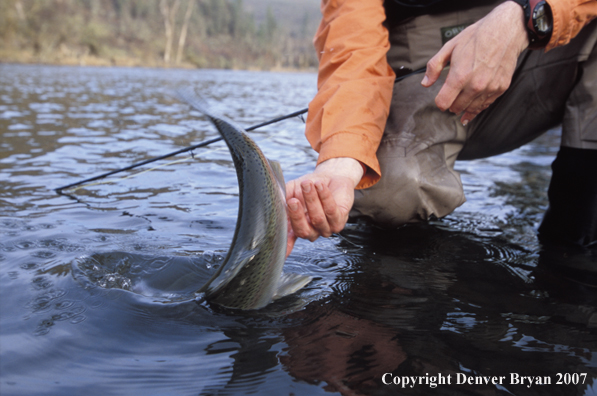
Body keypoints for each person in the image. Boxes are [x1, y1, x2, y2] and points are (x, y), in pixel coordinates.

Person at [285, 0, 597, 256]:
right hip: (424, 59)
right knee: (392, 195)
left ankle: (574, 245)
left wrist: (528, 15)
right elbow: (353, 46)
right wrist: (342, 163)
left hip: (545, 31)